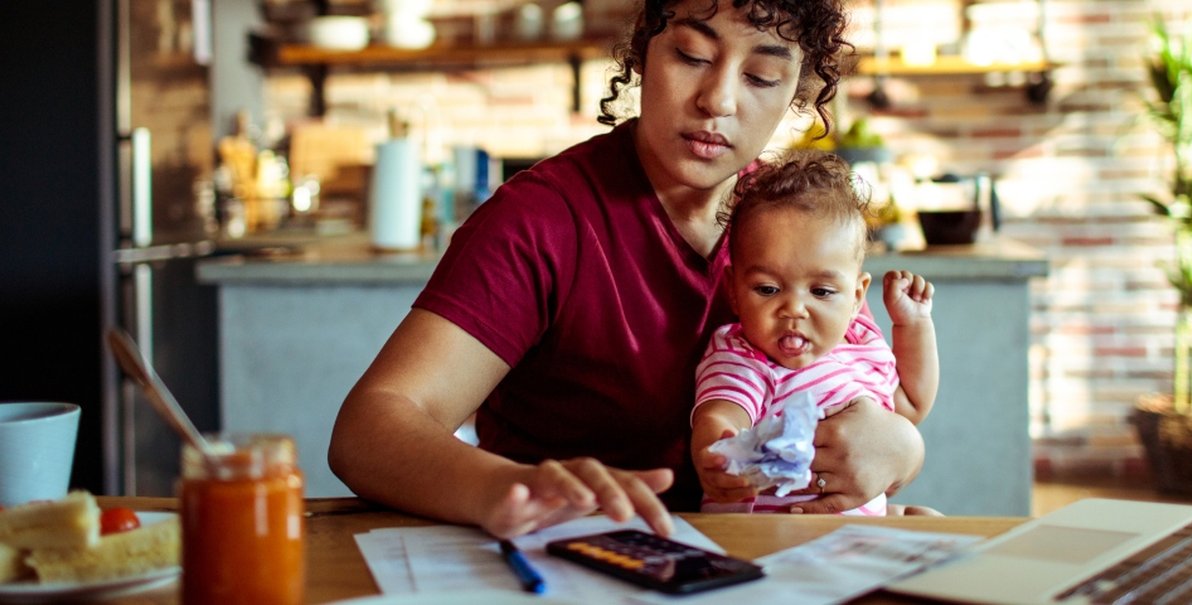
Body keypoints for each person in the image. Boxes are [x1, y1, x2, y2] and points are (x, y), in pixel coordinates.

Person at [329, 0, 926, 540]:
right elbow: (370, 430)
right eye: (693, 55)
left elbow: (860, 386)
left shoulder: (795, 228)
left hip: (759, 556)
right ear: (645, 49)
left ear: (797, 89)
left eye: (761, 76)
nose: (718, 100)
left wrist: (902, 448)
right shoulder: (542, 221)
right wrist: (499, 489)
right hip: (577, 554)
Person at [690, 150, 938, 516]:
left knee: (927, 521)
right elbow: (722, 413)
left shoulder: (860, 345)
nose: (794, 309)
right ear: (733, 292)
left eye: (821, 292)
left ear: (856, 297)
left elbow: (911, 406)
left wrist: (913, 326)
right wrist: (717, 449)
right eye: (768, 289)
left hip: (855, 532)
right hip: (774, 536)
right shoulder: (745, 356)